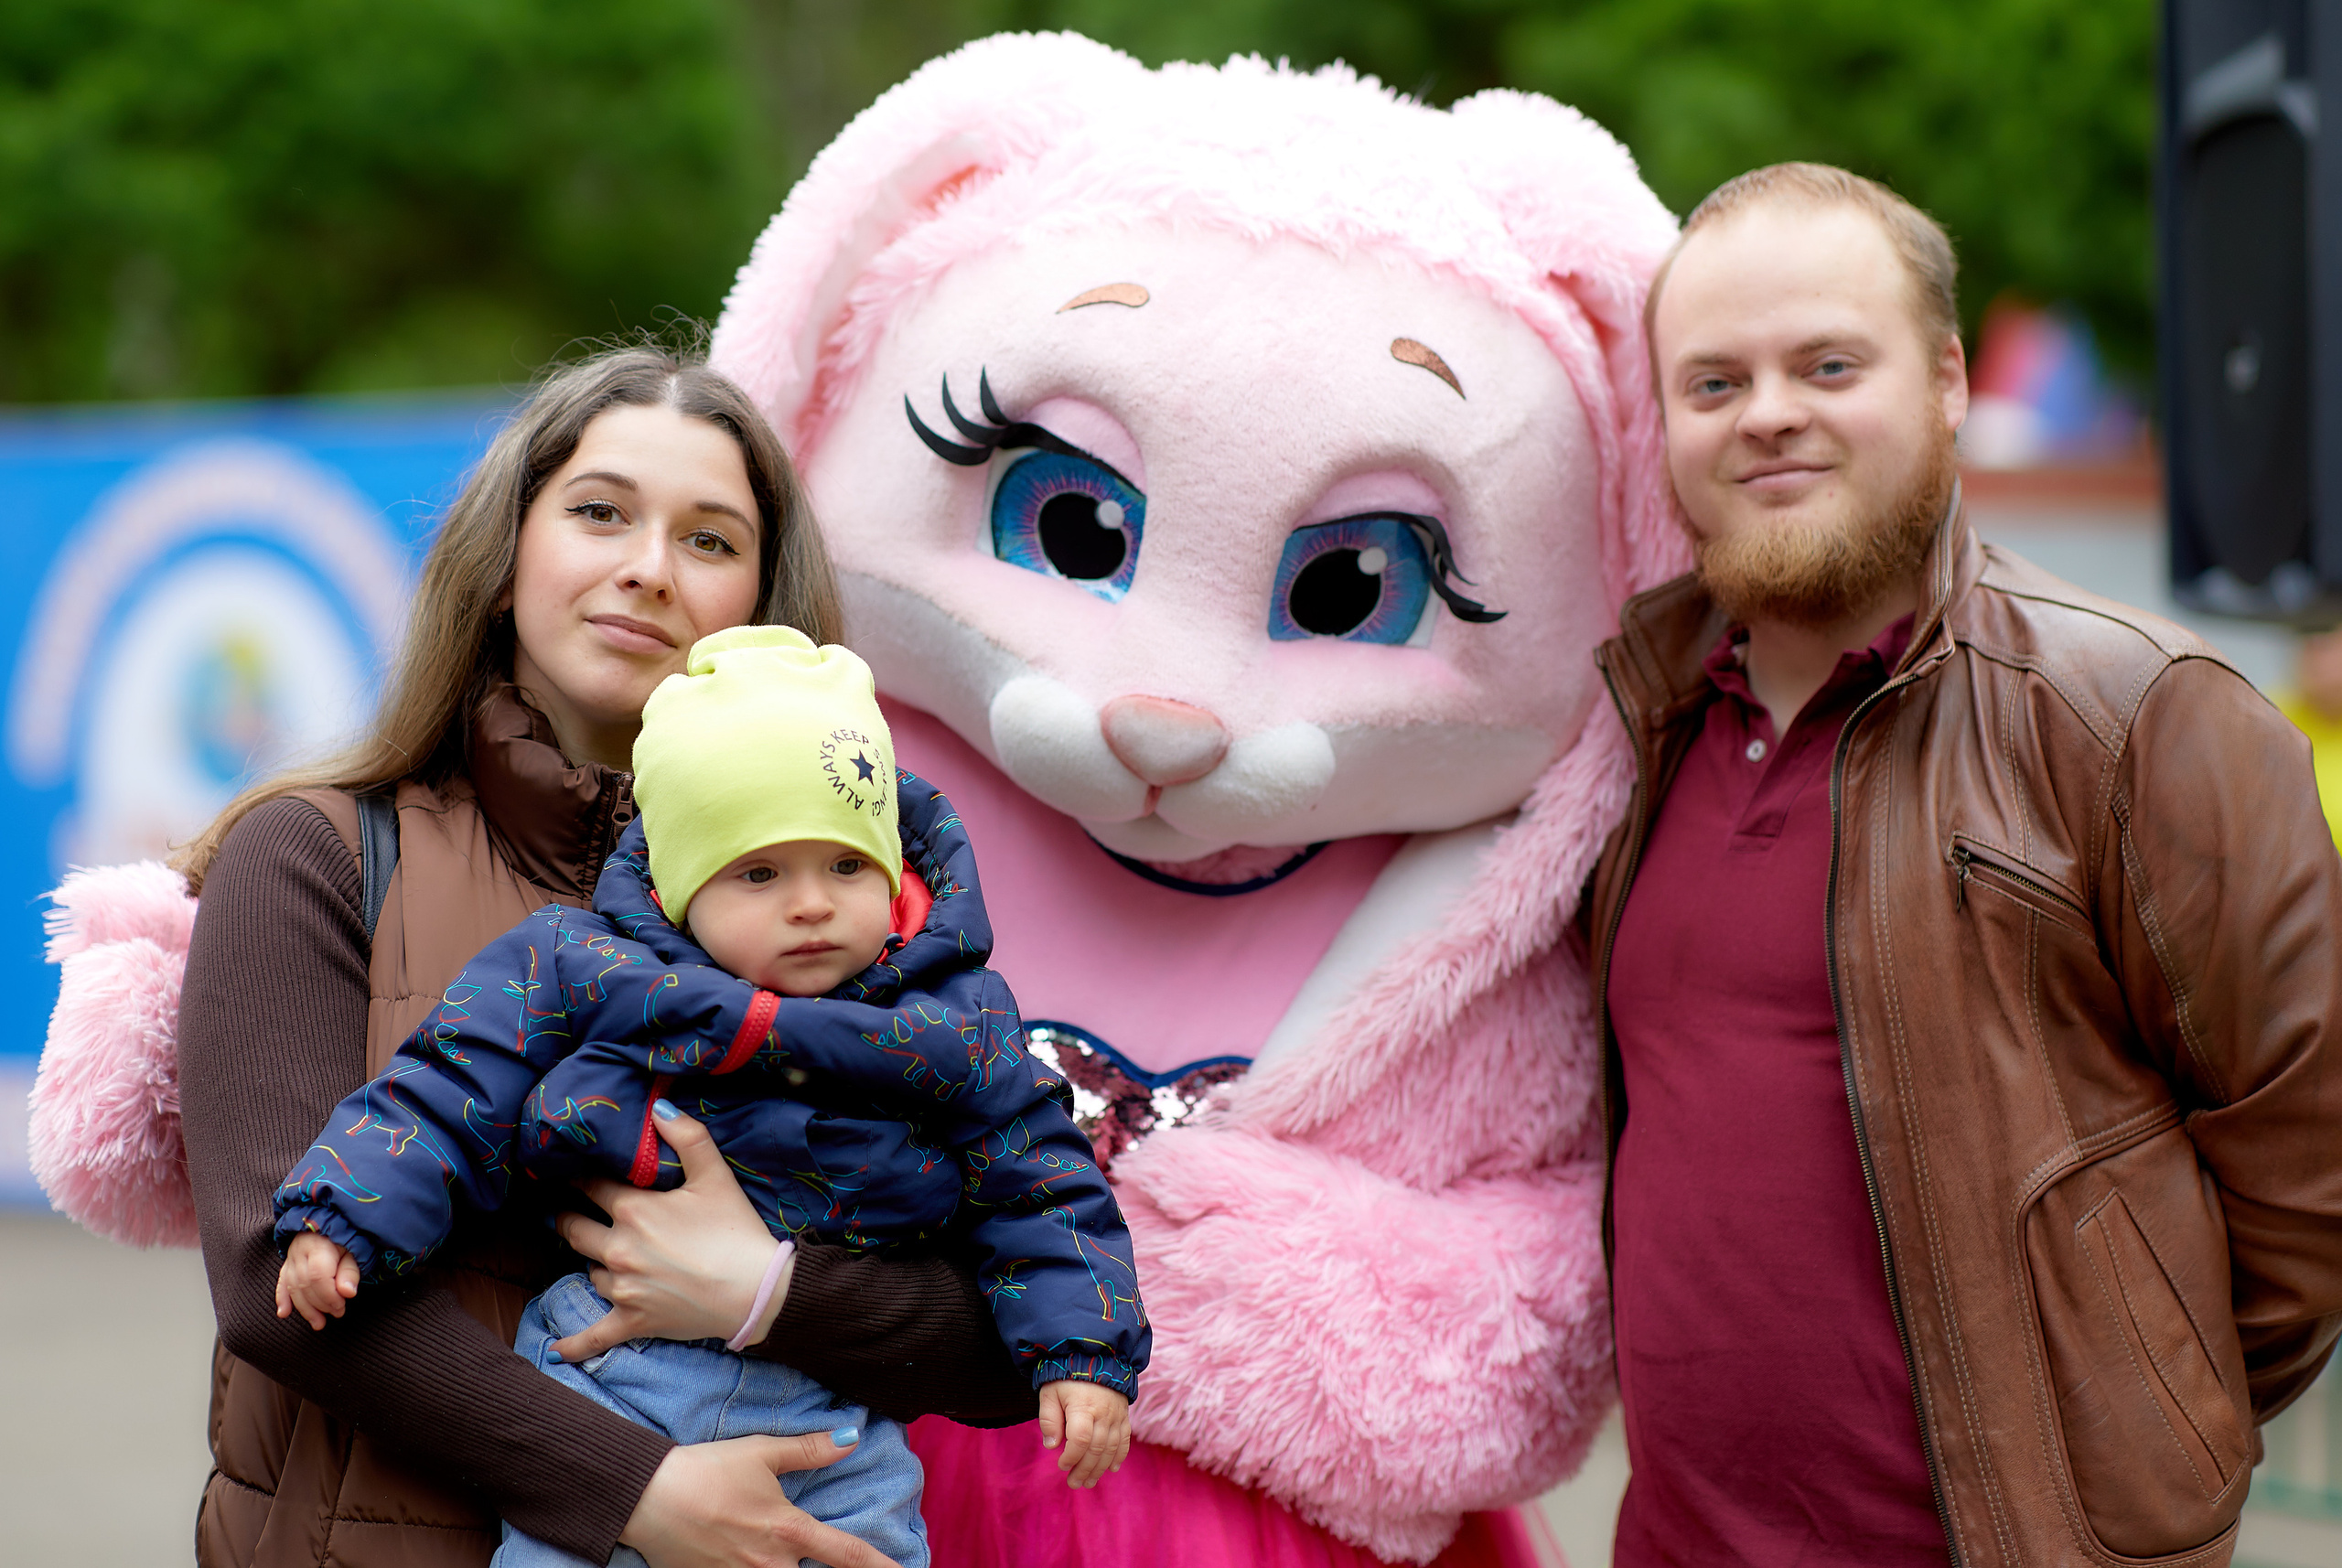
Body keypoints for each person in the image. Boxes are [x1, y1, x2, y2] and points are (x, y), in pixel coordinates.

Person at [1585, 162, 2342, 1567]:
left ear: (1945, 380)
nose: (1769, 413)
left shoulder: (2135, 712)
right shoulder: (1636, 720)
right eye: (1715, 382)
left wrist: (2139, 1442)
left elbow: (2310, 1177)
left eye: (1828, 364)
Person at [177, 345, 1041, 1568]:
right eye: (599, 512)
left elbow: (1013, 1325)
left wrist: (767, 1290)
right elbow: (276, 1282)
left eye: (709, 538)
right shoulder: (313, 854)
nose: (648, 566)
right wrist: (634, 1489)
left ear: (766, 610)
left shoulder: (854, 915)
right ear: (503, 559)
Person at [270, 626, 1147, 1568]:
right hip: (613, 1371)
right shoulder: (589, 965)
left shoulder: (955, 1017)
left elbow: (1042, 1183)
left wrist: (1083, 1351)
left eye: (846, 865)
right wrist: (345, 1213)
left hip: (835, 1414)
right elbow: (453, 1082)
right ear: (682, 891)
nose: (811, 903)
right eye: (759, 873)